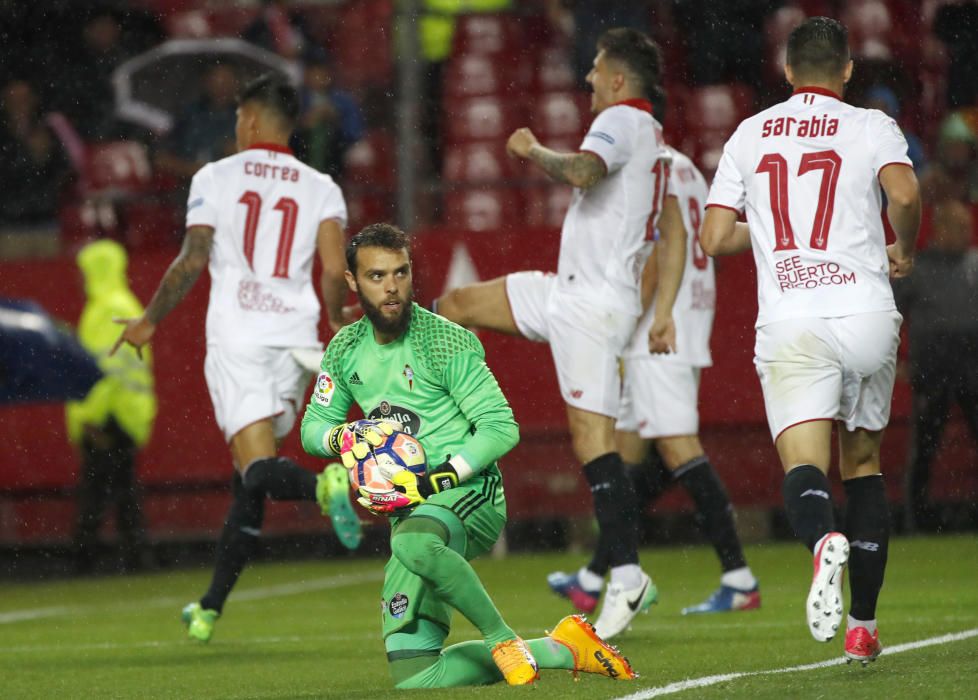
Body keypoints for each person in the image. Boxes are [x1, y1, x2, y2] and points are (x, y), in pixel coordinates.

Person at [300, 223, 636, 689]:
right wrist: (345, 436)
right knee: (415, 674)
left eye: (400, 273)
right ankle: (563, 648)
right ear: (353, 283)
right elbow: (312, 429)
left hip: (470, 493)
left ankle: (501, 638)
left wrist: (441, 477)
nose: (392, 287)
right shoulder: (343, 350)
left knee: (412, 543)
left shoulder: (444, 340)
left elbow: (501, 427)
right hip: (411, 516)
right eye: (377, 277)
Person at [435, 27, 686, 640]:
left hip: (593, 307)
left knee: (594, 444)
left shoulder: (624, 121)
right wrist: (663, 308)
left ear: (620, 80)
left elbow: (582, 170)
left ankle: (625, 575)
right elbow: (674, 226)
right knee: (455, 304)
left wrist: (530, 150)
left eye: (597, 69)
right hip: (567, 291)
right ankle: (435, 419)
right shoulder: (655, 139)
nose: (588, 79)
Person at [700, 17, 921, 665]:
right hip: (864, 312)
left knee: (804, 464)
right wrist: (902, 243)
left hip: (793, 317)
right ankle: (864, 626)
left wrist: (769, 234)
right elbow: (904, 193)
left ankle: (823, 541)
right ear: (847, 70)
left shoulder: (750, 131)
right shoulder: (871, 125)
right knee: (864, 464)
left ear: (788, 72)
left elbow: (714, 239)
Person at [112, 74, 362, 642]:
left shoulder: (214, 177)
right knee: (247, 484)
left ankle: (326, 486)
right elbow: (330, 272)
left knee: (258, 470)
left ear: (248, 121)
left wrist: (149, 321)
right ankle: (210, 607)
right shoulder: (321, 186)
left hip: (241, 338)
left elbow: (193, 257)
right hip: (298, 344)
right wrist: (336, 316)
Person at [548, 143, 760, 616]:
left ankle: (738, 576)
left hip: (654, 331)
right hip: (686, 315)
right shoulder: (686, 166)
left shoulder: (642, 166)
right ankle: (595, 575)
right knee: (627, 454)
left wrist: (627, 327)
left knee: (677, 447)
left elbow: (654, 254)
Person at [66, 239, 157, 573]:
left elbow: (101, 369)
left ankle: (85, 560)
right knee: (122, 490)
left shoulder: (105, 309)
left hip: (110, 414)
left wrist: (90, 416)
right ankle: (137, 557)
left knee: (97, 492)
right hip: (127, 411)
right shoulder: (126, 303)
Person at [892, 200, 978, 532]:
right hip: (932, 370)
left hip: (974, 368)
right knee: (925, 446)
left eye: (967, 226)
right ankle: (918, 520)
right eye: (956, 226)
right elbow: (891, 315)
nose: (964, 232)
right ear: (938, 229)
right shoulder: (917, 267)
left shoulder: (975, 263)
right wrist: (896, 363)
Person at [155, 63, 240, 185]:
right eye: (217, 80)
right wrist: (189, 168)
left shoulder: (247, 116)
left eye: (227, 80)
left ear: (236, 83)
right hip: (186, 186)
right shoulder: (188, 114)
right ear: (205, 82)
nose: (222, 87)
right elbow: (162, 158)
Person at [291, 49, 364, 180]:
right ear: (306, 74)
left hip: (334, 163)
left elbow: (354, 133)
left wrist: (335, 119)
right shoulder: (296, 99)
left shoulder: (343, 101)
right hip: (302, 160)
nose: (319, 76)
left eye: (322, 71)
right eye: (314, 71)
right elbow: (284, 131)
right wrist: (305, 123)